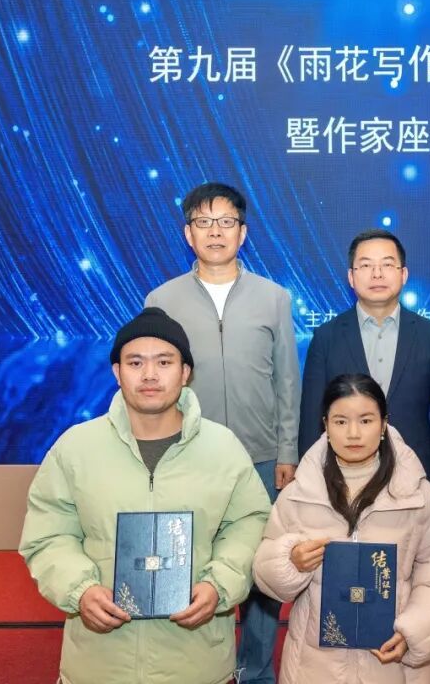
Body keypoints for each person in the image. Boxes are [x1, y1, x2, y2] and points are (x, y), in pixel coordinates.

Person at [19, 307, 271, 684]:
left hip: (195, 662)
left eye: (164, 362)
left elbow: (250, 525)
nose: (150, 374)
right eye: (135, 362)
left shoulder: (223, 448)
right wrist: (80, 590)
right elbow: (48, 536)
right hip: (99, 665)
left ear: (185, 372)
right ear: (117, 372)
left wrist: (219, 585)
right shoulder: (75, 448)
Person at [145, 182, 299, 684]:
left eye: (226, 222)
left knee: (260, 570)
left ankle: (255, 670)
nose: (216, 232)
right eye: (204, 222)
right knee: (191, 562)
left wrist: (287, 450)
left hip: (261, 455)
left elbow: (287, 381)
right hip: (189, 453)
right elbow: (154, 382)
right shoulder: (161, 300)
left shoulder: (274, 298)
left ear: (243, 233)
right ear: (188, 234)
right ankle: (200, 667)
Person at [254, 373, 430, 684]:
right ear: (325, 426)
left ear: (384, 425)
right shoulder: (299, 495)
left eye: (366, 421)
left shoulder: (418, 496)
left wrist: (414, 632)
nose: (353, 433)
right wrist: (291, 561)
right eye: (340, 421)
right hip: (314, 667)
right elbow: (265, 570)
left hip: (394, 667)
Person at [298, 229, 430, 496]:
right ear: (351, 277)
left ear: (403, 274)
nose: (377, 274)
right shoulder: (326, 337)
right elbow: (312, 420)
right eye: (365, 266)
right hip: (343, 480)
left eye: (387, 264)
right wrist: (313, 486)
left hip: (415, 479)